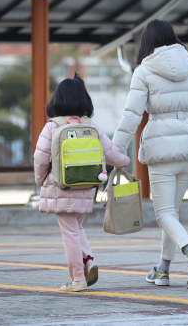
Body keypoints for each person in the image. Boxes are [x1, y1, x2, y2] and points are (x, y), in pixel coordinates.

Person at [113, 19, 188, 290]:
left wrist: (115, 150)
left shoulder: (143, 71)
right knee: (172, 212)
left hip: (162, 151)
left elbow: (131, 115)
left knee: (163, 214)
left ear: (147, 42)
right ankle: (162, 269)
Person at [33, 73, 130, 292]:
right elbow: (111, 153)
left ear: (57, 100)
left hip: (60, 186)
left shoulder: (52, 127)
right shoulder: (92, 127)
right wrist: (124, 162)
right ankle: (88, 261)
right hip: (86, 187)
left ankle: (78, 278)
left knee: (69, 233)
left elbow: (40, 158)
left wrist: (40, 179)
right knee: (76, 227)